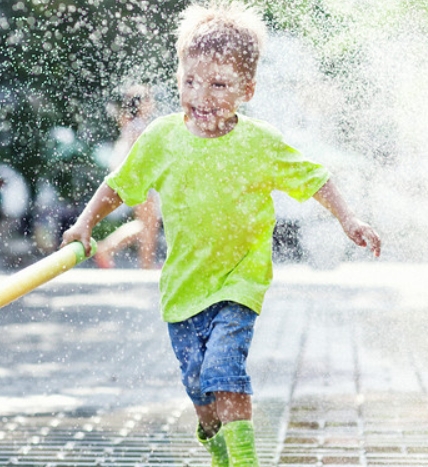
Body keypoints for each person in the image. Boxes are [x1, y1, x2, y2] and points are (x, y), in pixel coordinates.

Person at [60, 1, 381, 466]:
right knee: (200, 391)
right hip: (183, 288)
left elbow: (315, 178)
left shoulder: (259, 143)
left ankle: (245, 461)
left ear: (246, 90)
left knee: (223, 369)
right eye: (190, 81)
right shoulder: (162, 138)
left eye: (218, 84)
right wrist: (85, 222)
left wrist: (348, 219)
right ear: (178, 79)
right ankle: (218, 449)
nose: (202, 96)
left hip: (238, 283)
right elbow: (118, 186)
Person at [94, 85, 161, 269]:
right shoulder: (138, 126)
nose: (152, 103)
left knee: (147, 222)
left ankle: (112, 249)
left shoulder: (132, 124)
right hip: (140, 179)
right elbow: (139, 155)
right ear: (140, 104)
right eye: (148, 99)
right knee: (148, 222)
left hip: (138, 178)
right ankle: (141, 262)